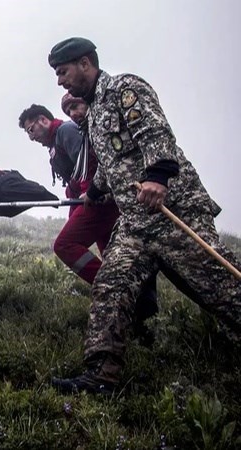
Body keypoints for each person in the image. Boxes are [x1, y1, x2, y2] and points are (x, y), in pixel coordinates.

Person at [47, 37, 241, 394]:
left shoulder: (125, 89)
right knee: (111, 284)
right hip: (135, 224)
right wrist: (93, 192)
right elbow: (112, 162)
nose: (60, 81)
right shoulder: (92, 114)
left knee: (217, 287)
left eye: (63, 72)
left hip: (172, 212)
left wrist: (158, 177)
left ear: (86, 63)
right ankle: (101, 375)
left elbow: (156, 135)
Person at [18, 103, 158, 341]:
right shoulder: (55, 143)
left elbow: (88, 161)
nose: (31, 137)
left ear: (43, 120)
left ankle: (111, 290)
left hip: (99, 200)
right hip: (93, 201)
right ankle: (138, 311)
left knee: (64, 245)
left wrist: (88, 193)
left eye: (31, 130)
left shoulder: (65, 132)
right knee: (111, 256)